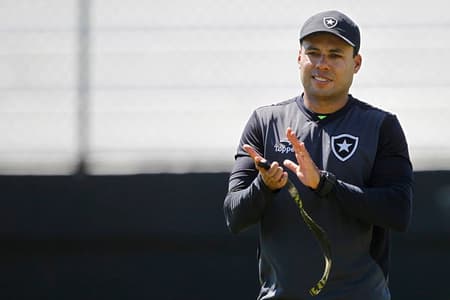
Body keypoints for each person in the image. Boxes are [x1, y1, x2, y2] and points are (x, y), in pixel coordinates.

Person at [223, 10, 413, 300]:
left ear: (356, 63)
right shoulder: (265, 122)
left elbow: (398, 212)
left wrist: (326, 185)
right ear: (299, 57)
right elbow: (234, 216)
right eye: (313, 53)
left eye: (335, 55)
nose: (322, 64)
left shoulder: (381, 127)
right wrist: (265, 186)